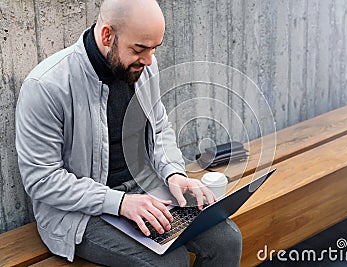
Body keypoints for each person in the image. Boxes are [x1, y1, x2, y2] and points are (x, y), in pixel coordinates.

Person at [15, 0, 242, 266]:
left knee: (227, 240)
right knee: (171, 262)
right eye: (139, 49)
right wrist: (120, 202)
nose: (149, 60)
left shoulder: (144, 67)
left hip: (146, 191)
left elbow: (159, 127)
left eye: (154, 49)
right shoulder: (46, 86)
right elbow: (41, 179)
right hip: (80, 213)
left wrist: (174, 174)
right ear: (107, 35)